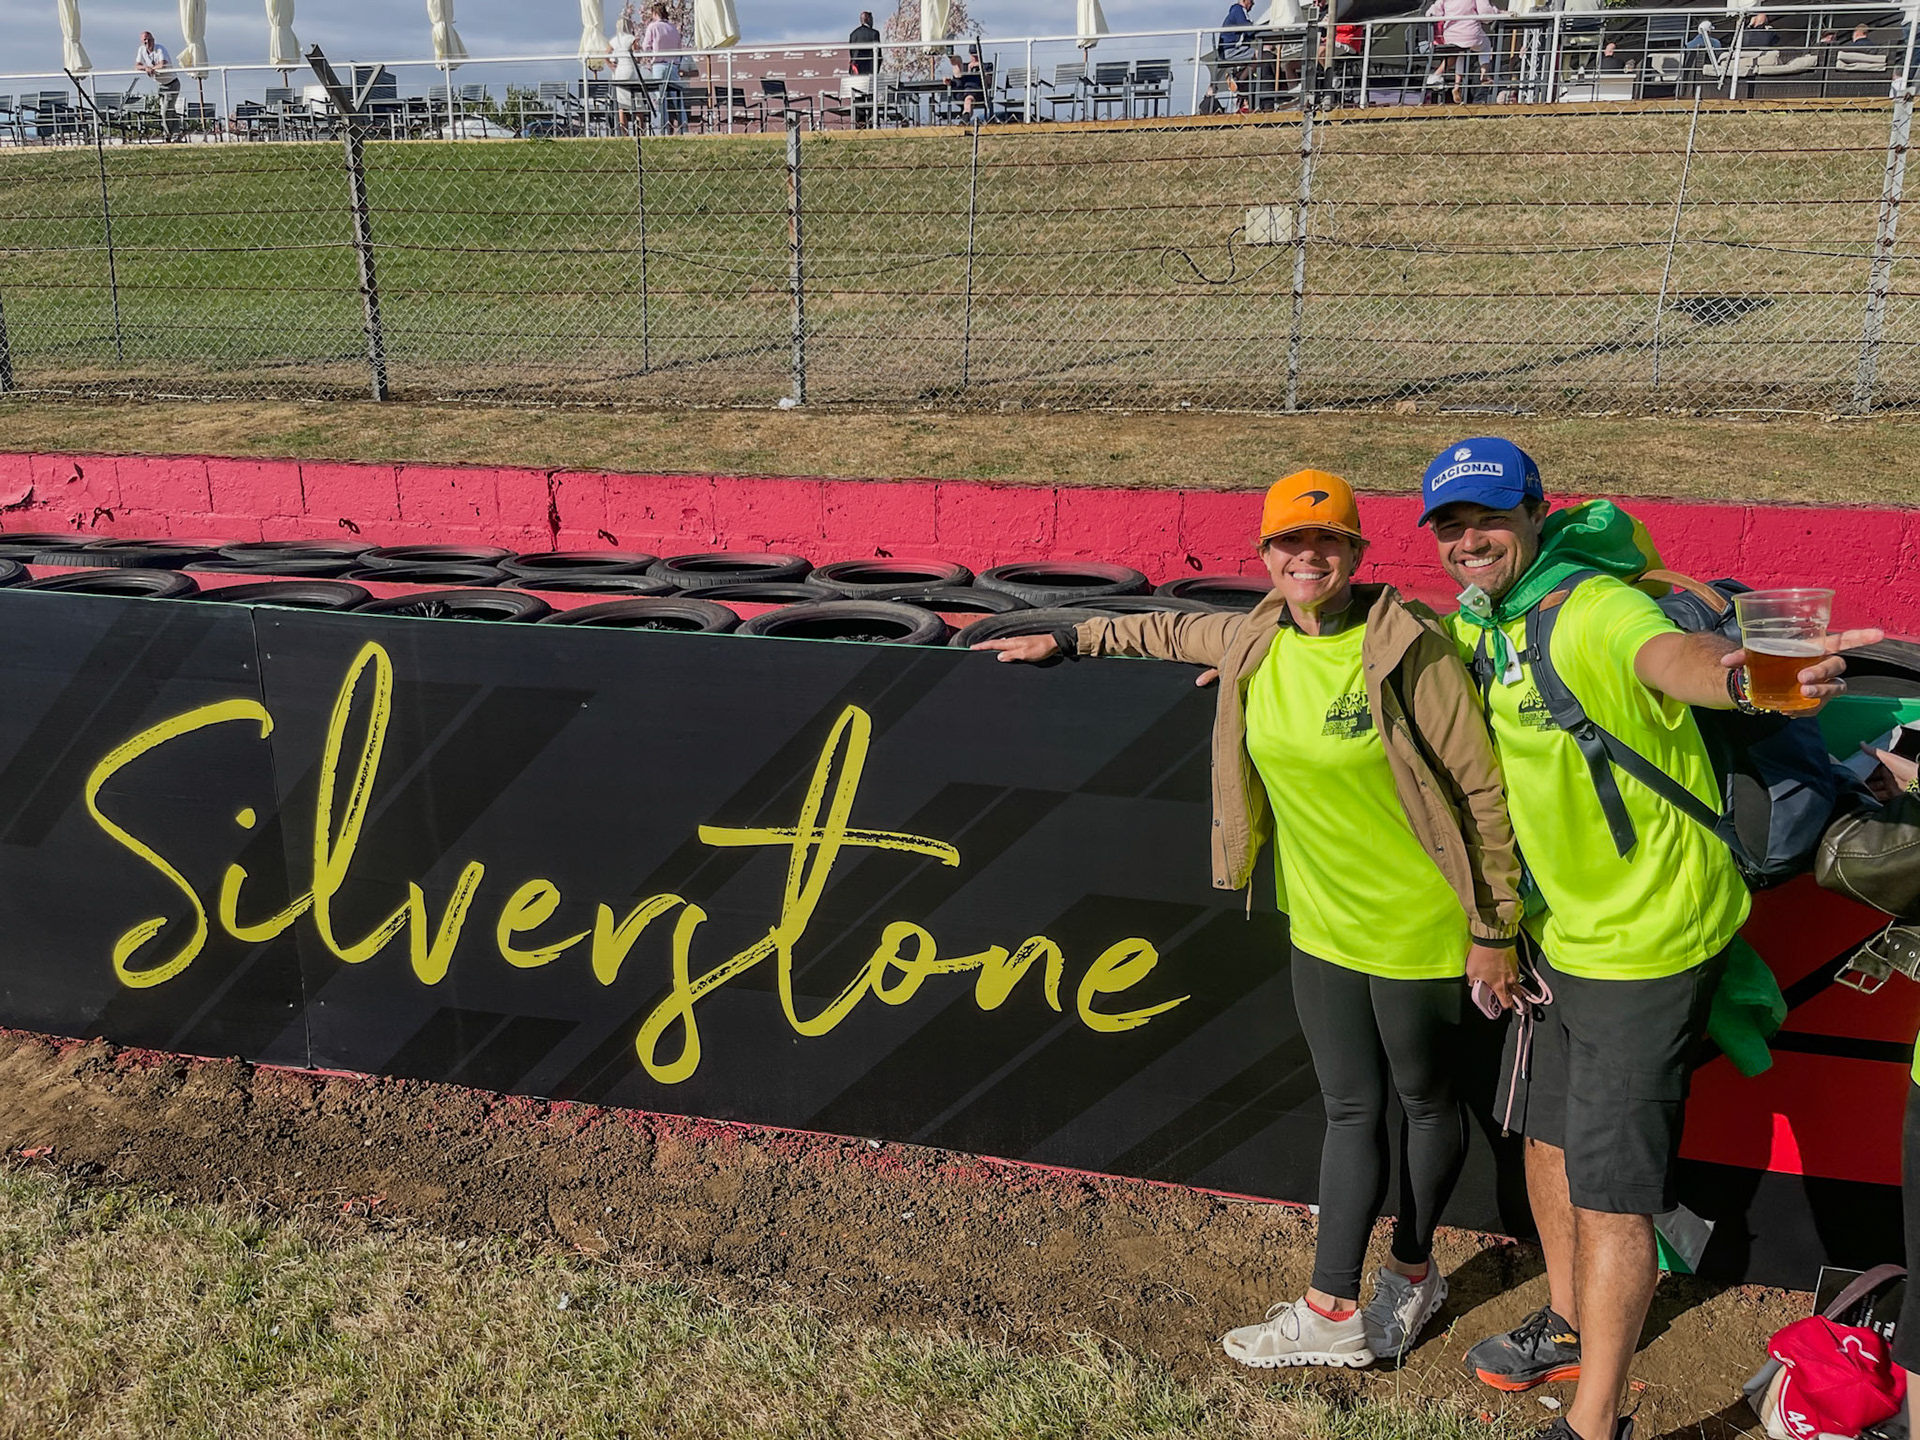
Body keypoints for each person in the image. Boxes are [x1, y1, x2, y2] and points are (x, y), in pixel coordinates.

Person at [975, 472, 1523, 1369]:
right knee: (1350, 1108)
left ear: (1355, 552)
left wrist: (1493, 928)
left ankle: (1411, 1272)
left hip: (1418, 924)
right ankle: (1334, 1309)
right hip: (1320, 922)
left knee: (1426, 1102)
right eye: (1289, 544)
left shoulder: (1409, 649)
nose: (1308, 558)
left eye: (1328, 542)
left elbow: (1482, 793)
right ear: (1266, 556)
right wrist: (1067, 637)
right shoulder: (1254, 637)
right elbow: (1160, 627)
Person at [1420, 439, 1881, 1440]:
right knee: (1548, 1137)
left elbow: (1672, 660)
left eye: (1489, 519)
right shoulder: (1484, 626)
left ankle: (1594, 1422)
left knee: (1614, 1195)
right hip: (1561, 933)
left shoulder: (1590, 607)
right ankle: (1569, 1323)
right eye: (1451, 526)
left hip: (1647, 940)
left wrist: (1749, 680)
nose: (1469, 541)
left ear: (1536, 514)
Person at [1424, 0, 1500, 102]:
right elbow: (1486, 14)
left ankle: (1457, 85)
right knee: (1486, 45)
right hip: (1470, 34)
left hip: (1451, 36)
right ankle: (1485, 74)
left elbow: (1433, 12)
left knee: (1461, 52)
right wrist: (1496, 11)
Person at [640, 2, 686, 135]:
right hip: (673, 66)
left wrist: (650, 57)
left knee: (660, 99)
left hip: (659, 65)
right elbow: (679, 47)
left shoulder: (653, 27)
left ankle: (661, 129)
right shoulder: (673, 28)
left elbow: (645, 46)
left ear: (654, 13)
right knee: (677, 99)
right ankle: (684, 127)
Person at [133, 30, 183, 141]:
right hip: (160, 85)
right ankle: (176, 134)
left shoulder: (160, 49)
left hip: (172, 83)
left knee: (166, 111)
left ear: (153, 40)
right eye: (145, 40)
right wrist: (146, 68)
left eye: (149, 39)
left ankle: (167, 135)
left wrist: (151, 69)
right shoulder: (141, 50)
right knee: (169, 111)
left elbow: (162, 64)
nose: (147, 42)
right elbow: (137, 65)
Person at [607, 14, 643, 135]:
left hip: (619, 71)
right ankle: (641, 131)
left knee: (622, 105)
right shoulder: (631, 39)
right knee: (637, 102)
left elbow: (606, 53)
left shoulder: (614, 40)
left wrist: (610, 65)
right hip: (631, 69)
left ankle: (624, 132)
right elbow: (637, 55)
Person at [848, 10, 880, 128]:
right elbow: (878, 54)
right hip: (870, 71)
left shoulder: (853, 34)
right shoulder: (874, 34)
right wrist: (876, 69)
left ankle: (859, 124)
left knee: (858, 99)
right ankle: (872, 123)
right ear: (868, 20)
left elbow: (851, 53)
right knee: (871, 99)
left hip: (856, 73)